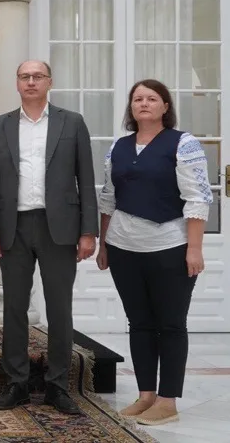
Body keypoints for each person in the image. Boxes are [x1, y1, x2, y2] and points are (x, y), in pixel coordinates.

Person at [0, 60, 97, 415]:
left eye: (37, 77)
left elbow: (86, 179)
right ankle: (16, 382)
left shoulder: (71, 122)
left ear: (49, 82)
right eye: (24, 77)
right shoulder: (1, 126)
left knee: (59, 308)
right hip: (13, 226)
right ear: (17, 83)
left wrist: (89, 231)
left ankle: (58, 386)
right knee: (14, 307)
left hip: (58, 227)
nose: (30, 82)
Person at [96, 79, 211, 426]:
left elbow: (198, 197)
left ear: (164, 106)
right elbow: (108, 198)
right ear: (131, 108)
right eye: (137, 99)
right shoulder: (118, 146)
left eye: (151, 98)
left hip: (170, 247)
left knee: (171, 324)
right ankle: (146, 395)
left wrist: (194, 248)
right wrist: (103, 245)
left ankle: (167, 400)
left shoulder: (183, 144)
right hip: (123, 248)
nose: (143, 104)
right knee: (140, 323)